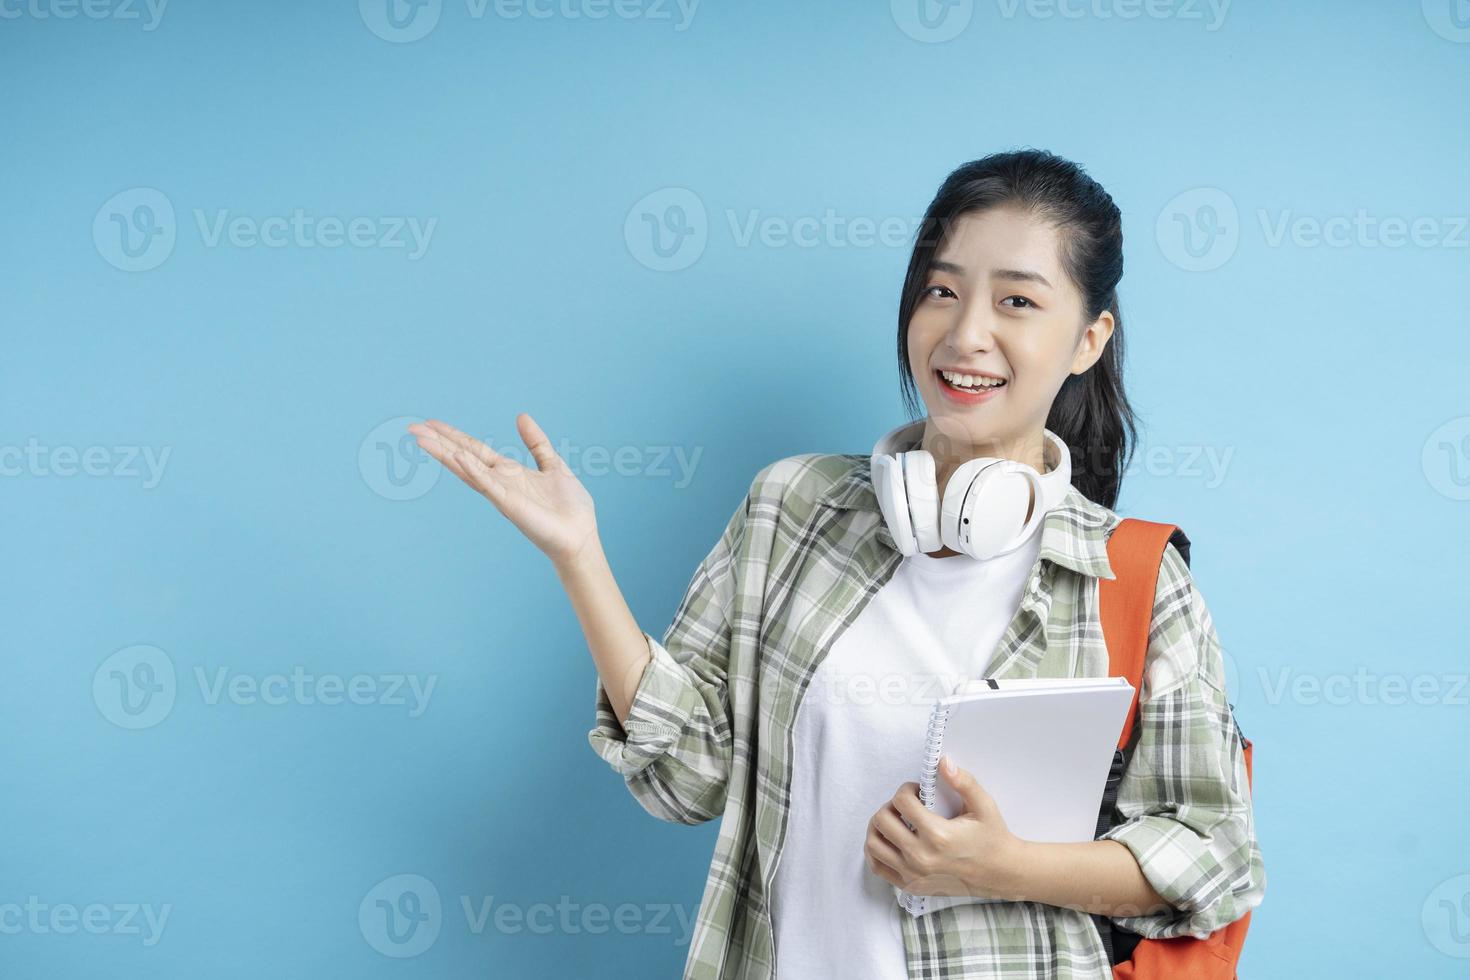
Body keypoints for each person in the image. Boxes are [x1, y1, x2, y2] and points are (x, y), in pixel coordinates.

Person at [408, 148, 1265, 980]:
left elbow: (1215, 854)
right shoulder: (793, 506)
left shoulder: (1136, 579)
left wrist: (1004, 866)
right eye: (942, 290)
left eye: (1016, 302)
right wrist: (579, 557)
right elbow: (686, 778)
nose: (967, 333)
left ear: (1088, 337)